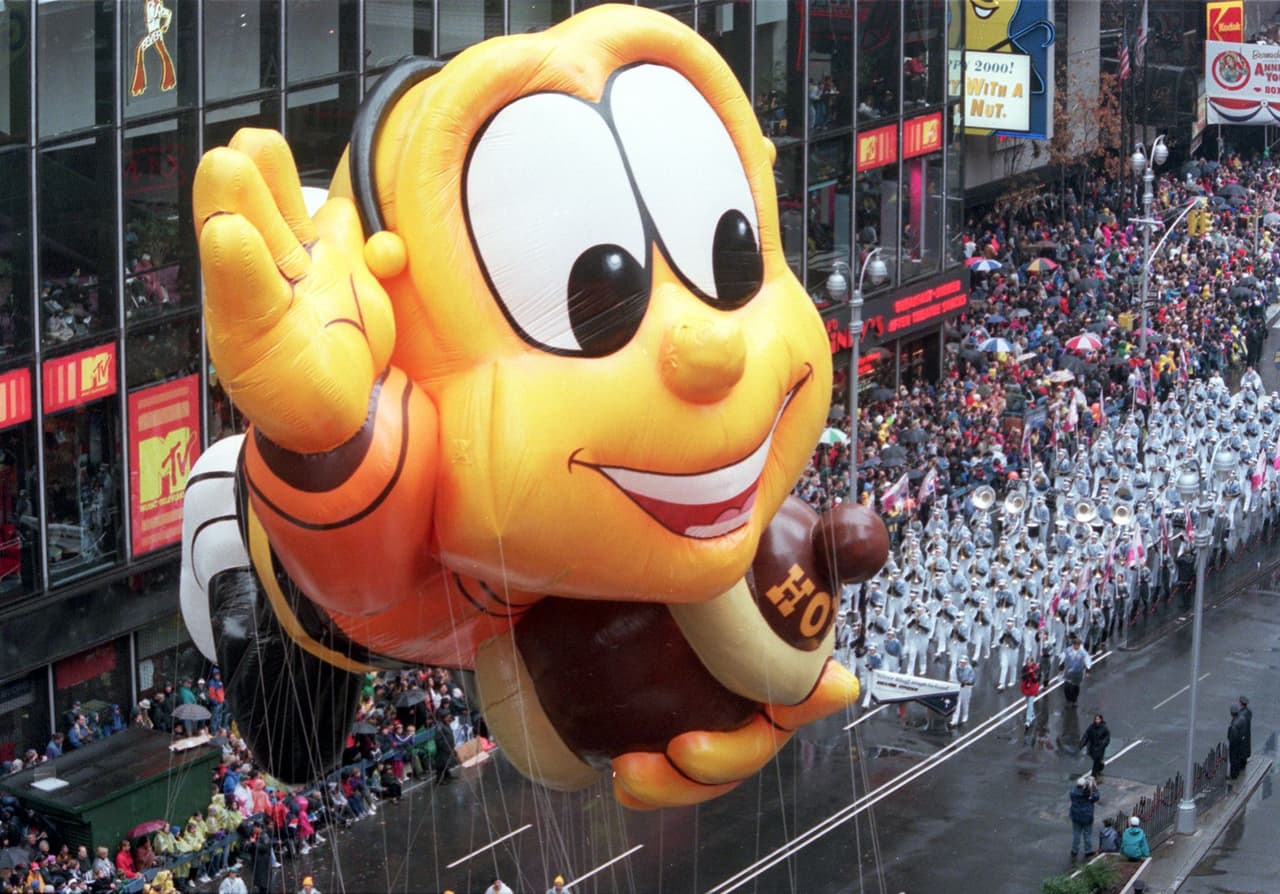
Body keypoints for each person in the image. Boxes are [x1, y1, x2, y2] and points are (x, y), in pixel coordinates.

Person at [1068, 774, 1099, 859]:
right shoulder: (1089, 794)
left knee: (1076, 834)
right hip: (1087, 817)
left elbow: (1074, 792)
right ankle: (1088, 851)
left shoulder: (1073, 792)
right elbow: (1096, 797)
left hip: (1076, 816)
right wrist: (1093, 787)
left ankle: (1074, 850)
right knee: (1087, 834)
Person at [1060, 636, 1092, 706]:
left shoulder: (1083, 653)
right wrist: (1061, 668)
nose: (1077, 646)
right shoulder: (1067, 651)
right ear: (1073, 644)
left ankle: (1074, 700)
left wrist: (1088, 670)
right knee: (1067, 687)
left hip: (1078, 673)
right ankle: (1068, 700)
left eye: (1078, 644)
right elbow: (1062, 659)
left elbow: (1087, 661)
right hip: (1068, 672)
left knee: (1076, 687)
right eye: (1075, 644)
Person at [1080, 713, 1111, 778]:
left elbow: (1107, 738)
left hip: (1099, 748)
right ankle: (1100, 765)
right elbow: (1086, 735)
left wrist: (1102, 745)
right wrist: (1082, 744)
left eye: (1098, 719)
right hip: (1092, 746)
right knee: (1094, 758)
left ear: (1101, 720)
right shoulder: (1091, 727)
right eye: (1096, 719)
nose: (1097, 720)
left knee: (1096, 760)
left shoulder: (1104, 728)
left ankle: (1093, 774)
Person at [949, 655, 975, 727]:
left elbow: (972, 679)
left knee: (965, 703)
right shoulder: (957, 669)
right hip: (959, 688)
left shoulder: (970, 669)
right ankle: (954, 721)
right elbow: (956, 678)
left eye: (964, 662)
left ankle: (965, 716)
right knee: (957, 704)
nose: (962, 664)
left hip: (967, 688)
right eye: (961, 662)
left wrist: (966, 683)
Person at [1019, 653, 1040, 731]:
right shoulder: (1025, 668)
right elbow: (1023, 677)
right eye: (1027, 663)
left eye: (1029, 662)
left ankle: (1028, 720)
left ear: (1032, 662)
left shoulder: (1036, 669)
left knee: (1030, 703)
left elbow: (1036, 679)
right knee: (1028, 703)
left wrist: (1032, 674)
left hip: (1032, 688)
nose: (1028, 664)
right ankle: (1032, 714)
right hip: (1026, 688)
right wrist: (1026, 674)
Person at [1228, 704, 1248, 779]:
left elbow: (1233, 735)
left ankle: (1233, 775)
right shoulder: (1242, 718)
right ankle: (1237, 772)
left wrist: (1231, 741)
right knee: (1238, 757)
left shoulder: (1234, 724)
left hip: (1235, 743)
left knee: (1233, 759)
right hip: (1241, 741)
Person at [1238, 695, 1252, 768]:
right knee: (1245, 751)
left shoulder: (1241, 714)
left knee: (1240, 752)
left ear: (1241, 703)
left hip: (1242, 736)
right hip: (1247, 735)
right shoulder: (1249, 712)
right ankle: (1243, 765)